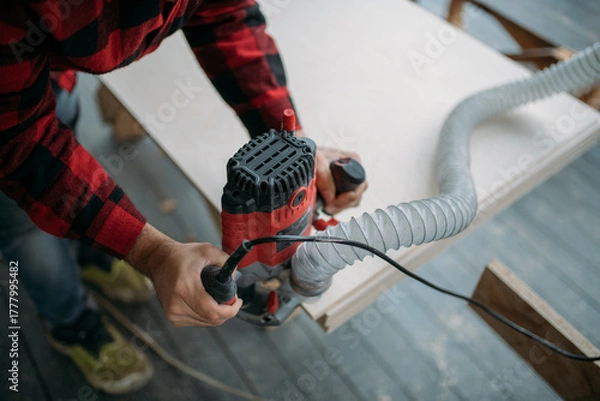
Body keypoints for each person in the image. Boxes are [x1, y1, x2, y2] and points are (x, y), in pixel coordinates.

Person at [0, 0, 368, 394]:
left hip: (50, 75)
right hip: (9, 104)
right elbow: (20, 141)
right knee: (26, 228)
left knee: (64, 126)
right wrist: (150, 252)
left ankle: (90, 255)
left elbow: (226, 17)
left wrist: (292, 151)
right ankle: (72, 326)